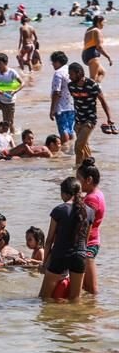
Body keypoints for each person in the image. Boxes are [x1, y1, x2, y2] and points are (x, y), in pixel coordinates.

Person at [38, 177, 94, 301]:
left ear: (64, 193)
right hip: (79, 256)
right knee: (75, 298)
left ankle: (48, 320)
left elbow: (49, 240)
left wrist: (44, 263)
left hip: (60, 255)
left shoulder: (59, 210)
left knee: (44, 298)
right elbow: (86, 241)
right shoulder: (90, 212)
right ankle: (73, 320)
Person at [68, 62, 115, 168]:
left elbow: (103, 101)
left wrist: (109, 118)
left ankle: (78, 169)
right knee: (84, 146)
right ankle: (90, 166)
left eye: (71, 74)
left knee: (78, 145)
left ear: (79, 73)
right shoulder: (71, 86)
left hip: (90, 120)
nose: (70, 77)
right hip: (78, 121)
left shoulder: (92, 85)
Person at [77, 158, 104, 295]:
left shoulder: (92, 199)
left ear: (88, 180)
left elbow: (85, 224)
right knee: (84, 287)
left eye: (79, 179)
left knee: (92, 290)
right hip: (92, 241)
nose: (77, 183)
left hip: (89, 244)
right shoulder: (95, 193)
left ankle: (92, 311)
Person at [0, 53, 24, 132]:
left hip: (9, 102)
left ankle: (13, 137)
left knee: (9, 124)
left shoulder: (12, 72)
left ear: (5, 63)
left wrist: (15, 91)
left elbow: (22, 83)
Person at [48, 51, 75, 146]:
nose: (52, 64)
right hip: (72, 105)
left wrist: (52, 109)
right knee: (70, 130)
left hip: (61, 107)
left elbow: (57, 92)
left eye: (53, 62)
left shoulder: (58, 73)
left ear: (58, 62)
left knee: (63, 129)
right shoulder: (70, 70)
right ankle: (71, 147)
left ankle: (66, 148)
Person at [82, 15, 111, 82]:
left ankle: (97, 89)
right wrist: (108, 57)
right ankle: (90, 90)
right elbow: (99, 47)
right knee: (92, 79)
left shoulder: (89, 29)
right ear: (98, 22)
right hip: (92, 55)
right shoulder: (97, 31)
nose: (104, 24)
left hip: (85, 54)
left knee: (102, 72)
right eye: (103, 22)